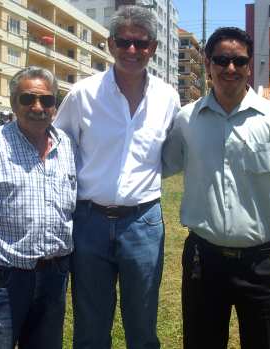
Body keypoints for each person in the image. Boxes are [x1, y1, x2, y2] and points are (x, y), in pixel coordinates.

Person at [162, 27, 270, 349]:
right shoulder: (186, 119)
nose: (230, 68)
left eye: (239, 60)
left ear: (250, 65)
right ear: (207, 64)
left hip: (260, 262)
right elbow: (159, 166)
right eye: (221, 60)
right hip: (203, 262)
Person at [54, 5, 180, 349]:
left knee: (143, 323)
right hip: (89, 221)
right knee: (91, 325)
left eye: (141, 44)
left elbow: (172, 153)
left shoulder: (168, 98)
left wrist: (147, 178)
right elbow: (58, 147)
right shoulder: (83, 94)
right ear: (110, 44)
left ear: (153, 48)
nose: (132, 51)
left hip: (143, 223)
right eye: (124, 42)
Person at [0, 66, 77, 349]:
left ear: (55, 105)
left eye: (46, 100)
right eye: (27, 99)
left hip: (54, 277)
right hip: (6, 278)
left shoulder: (66, 145)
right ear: (13, 103)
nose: (37, 107)